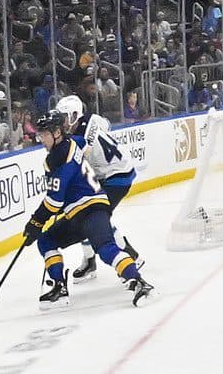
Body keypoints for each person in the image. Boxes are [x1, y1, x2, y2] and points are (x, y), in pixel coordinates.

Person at [23, 117, 152, 308]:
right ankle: (59, 287)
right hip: (81, 212)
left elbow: (54, 201)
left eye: (44, 135)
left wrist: (35, 222)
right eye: (39, 135)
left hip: (92, 210)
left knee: (105, 248)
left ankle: (139, 282)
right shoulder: (74, 142)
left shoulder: (55, 159)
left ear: (57, 133)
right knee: (46, 240)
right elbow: (84, 146)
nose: (41, 139)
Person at [49, 93, 142, 280]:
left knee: (90, 216)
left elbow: (74, 161)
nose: (61, 122)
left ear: (75, 116)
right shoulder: (93, 118)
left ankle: (130, 256)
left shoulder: (76, 139)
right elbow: (106, 125)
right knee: (83, 212)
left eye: (64, 117)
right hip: (118, 170)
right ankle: (91, 260)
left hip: (115, 177)